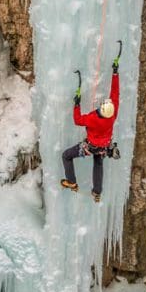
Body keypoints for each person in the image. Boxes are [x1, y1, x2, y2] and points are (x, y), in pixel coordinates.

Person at [61, 57, 120, 203]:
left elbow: (77, 120)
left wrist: (76, 105)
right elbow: (115, 94)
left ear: (102, 108)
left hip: (91, 146)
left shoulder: (93, 119)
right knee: (98, 163)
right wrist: (115, 74)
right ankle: (97, 192)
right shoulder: (112, 114)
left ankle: (72, 182)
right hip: (104, 146)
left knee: (66, 156)